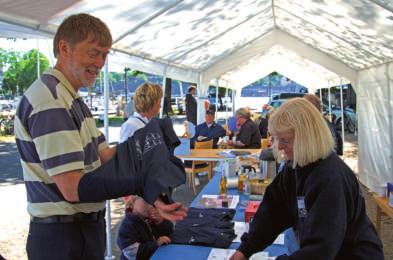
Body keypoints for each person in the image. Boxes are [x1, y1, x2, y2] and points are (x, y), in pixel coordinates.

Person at [13, 13, 186, 260]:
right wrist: (138, 182)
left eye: (105, 54)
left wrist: (151, 170)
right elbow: (73, 188)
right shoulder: (51, 100)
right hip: (63, 238)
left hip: (78, 232)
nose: (101, 63)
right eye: (94, 52)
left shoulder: (71, 99)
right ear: (65, 48)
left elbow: (105, 156)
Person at [230, 98, 383, 260]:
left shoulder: (330, 179)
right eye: (276, 139)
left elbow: (320, 250)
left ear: (306, 138)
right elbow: (273, 211)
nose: (279, 147)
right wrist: (245, 249)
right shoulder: (296, 165)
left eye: (285, 140)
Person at [117, 196, 173, 260]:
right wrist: (156, 244)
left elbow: (170, 232)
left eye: (152, 202)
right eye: (145, 202)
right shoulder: (127, 226)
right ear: (132, 202)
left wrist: (161, 222)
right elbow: (132, 253)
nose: (150, 206)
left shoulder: (150, 219)